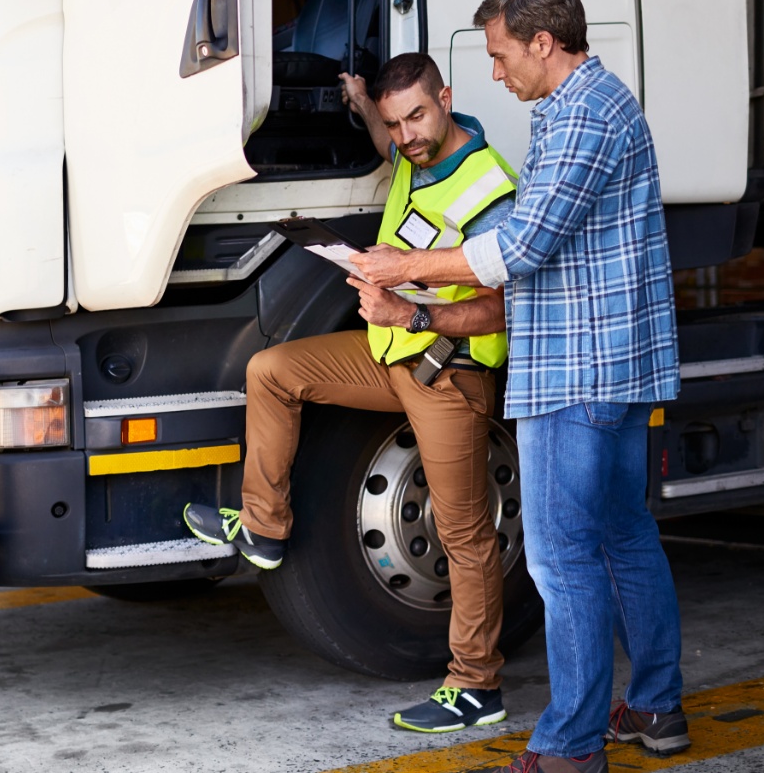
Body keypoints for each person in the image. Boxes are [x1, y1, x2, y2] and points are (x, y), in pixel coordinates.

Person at [349, 0, 687, 773]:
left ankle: (569, 746)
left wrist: (404, 271)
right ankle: (655, 706)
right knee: (622, 536)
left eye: (502, 55)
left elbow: (518, 249)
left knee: (561, 556)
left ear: (544, 42)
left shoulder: (581, 119)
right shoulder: (587, 108)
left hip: (578, 368)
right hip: (611, 364)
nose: (495, 74)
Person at [184, 52, 520, 732]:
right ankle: (265, 528)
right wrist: (364, 102)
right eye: (396, 124)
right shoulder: (409, 152)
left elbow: (505, 309)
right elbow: (382, 137)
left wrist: (415, 313)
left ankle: (477, 685)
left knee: (464, 535)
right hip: (392, 356)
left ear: (447, 99)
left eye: (417, 118)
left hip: (449, 375)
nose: (406, 137)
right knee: (272, 371)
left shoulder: (489, 190)